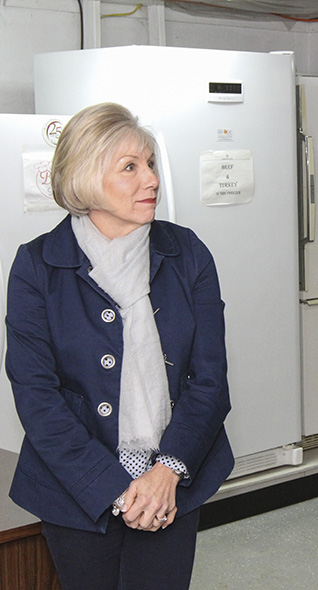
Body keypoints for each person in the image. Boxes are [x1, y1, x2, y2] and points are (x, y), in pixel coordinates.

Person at [5, 102, 234, 590]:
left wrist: (165, 474)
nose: (151, 180)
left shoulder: (186, 252)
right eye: (130, 167)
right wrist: (116, 490)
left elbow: (210, 380)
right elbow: (36, 395)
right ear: (86, 178)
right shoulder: (37, 267)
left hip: (172, 481)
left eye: (149, 164)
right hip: (75, 488)